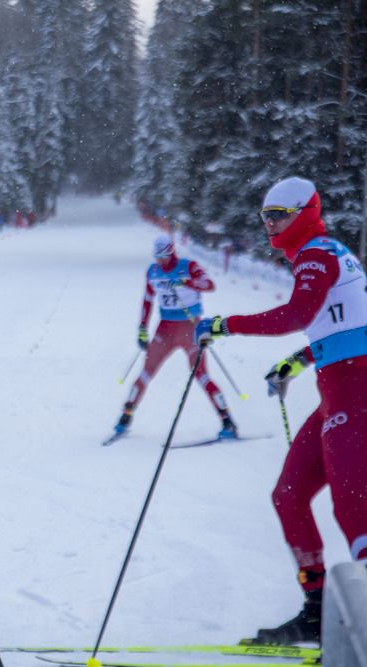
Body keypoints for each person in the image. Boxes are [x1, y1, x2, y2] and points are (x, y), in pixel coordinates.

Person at [195, 176, 367, 644]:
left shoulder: (317, 253)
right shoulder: (324, 254)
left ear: (305, 212)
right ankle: (316, 611)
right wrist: (300, 359)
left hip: (357, 392)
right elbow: (346, 319)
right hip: (338, 390)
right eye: (264, 217)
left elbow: (297, 315)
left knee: (353, 508)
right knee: (289, 495)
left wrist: (222, 324)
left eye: (279, 216)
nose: (271, 226)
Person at [113, 234, 237, 438]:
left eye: (164, 255)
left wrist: (186, 282)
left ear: (172, 252)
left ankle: (227, 421)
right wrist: (142, 328)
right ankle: (125, 418)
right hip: (165, 329)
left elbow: (209, 285)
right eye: (157, 256)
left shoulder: (189, 266)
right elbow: (147, 300)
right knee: (146, 372)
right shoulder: (153, 272)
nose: (160, 260)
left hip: (190, 327)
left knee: (201, 374)